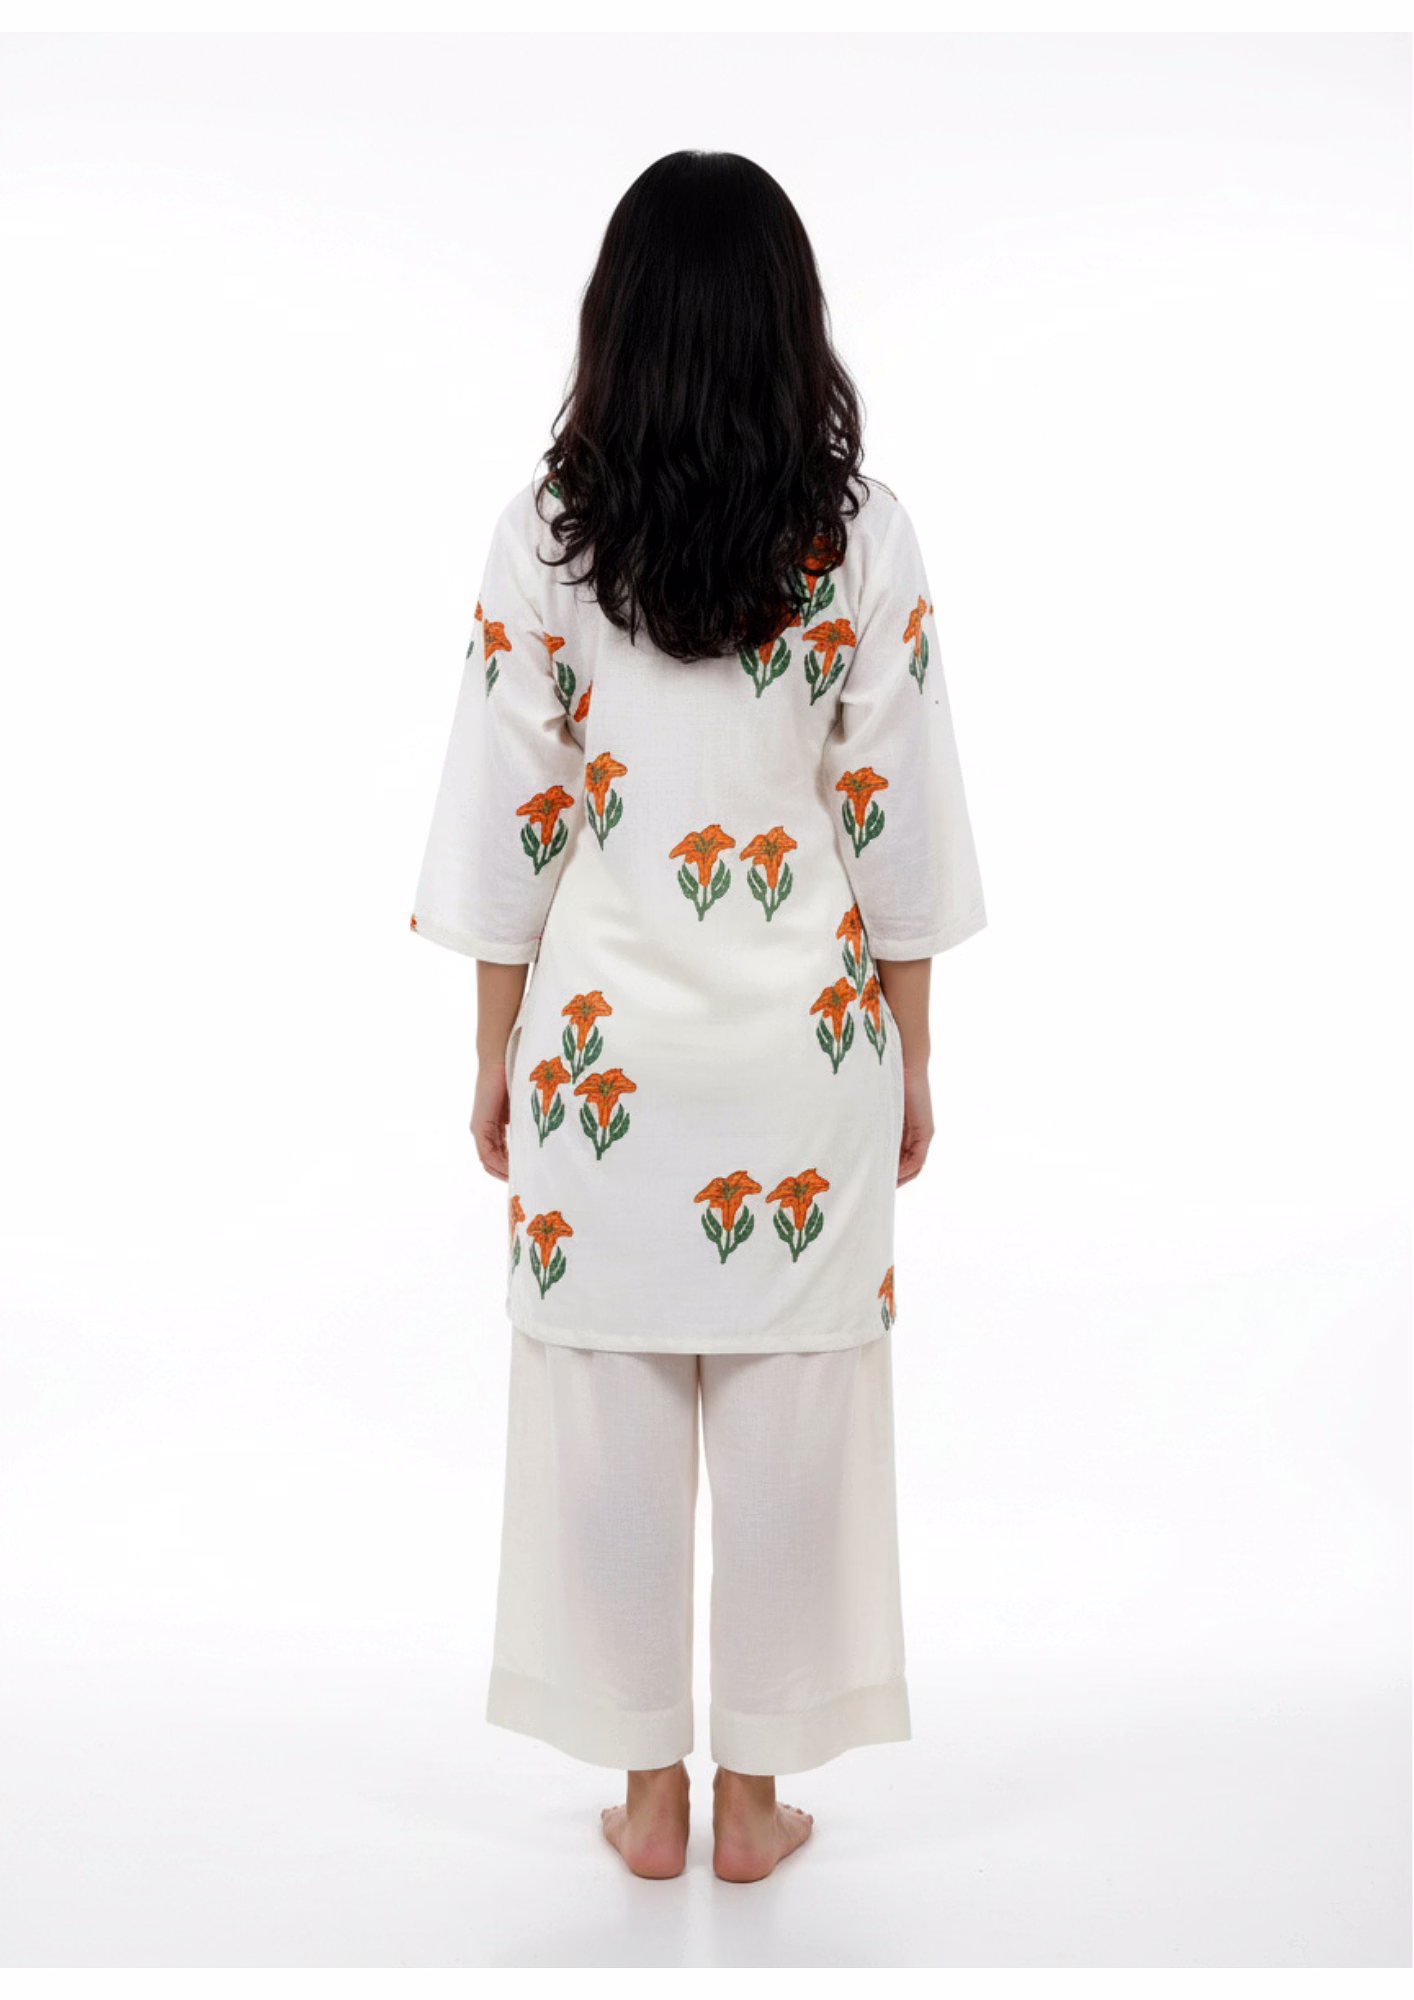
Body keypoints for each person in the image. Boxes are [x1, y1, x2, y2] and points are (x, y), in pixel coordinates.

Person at [410, 150, 986, 1882]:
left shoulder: (549, 537)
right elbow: (898, 820)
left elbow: (507, 816)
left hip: (606, 1055)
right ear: (787, 325)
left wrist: (494, 1054)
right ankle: (754, 1804)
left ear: (620, 326)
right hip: (800, 1053)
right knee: (799, 1417)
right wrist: (913, 1052)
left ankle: (646, 1796)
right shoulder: (860, 538)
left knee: (601, 1409)